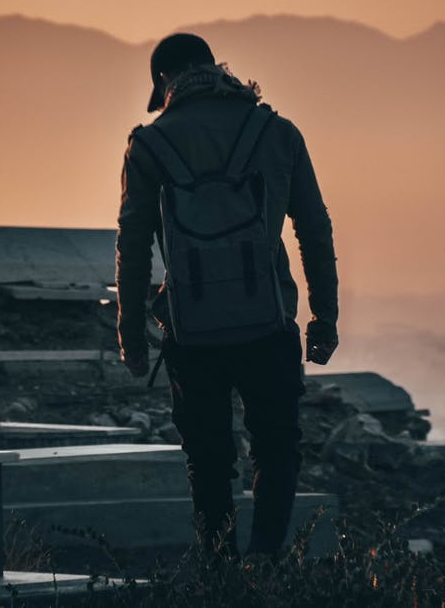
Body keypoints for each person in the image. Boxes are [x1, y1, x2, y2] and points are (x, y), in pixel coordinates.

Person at [115, 33, 339, 558]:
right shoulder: (277, 132)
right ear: (216, 68)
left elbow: (132, 243)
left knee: (209, 461)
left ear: (164, 81)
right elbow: (315, 228)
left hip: (192, 334)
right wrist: (323, 318)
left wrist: (131, 334)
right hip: (269, 324)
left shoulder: (148, 145)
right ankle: (265, 563)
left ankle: (219, 575)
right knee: (277, 449)